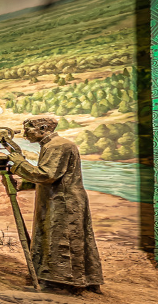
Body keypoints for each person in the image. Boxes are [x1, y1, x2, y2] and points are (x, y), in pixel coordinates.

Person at [7, 116, 104, 294]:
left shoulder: (57, 146)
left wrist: (19, 162)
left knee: (60, 239)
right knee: (70, 238)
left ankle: (59, 283)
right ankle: (84, 280)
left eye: (28, 129)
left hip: (63, 202)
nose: (25, 133)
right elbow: (57, 176)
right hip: (60, 198)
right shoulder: (54, 145)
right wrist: (22, 183)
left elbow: (47, 175)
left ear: (43, 128)